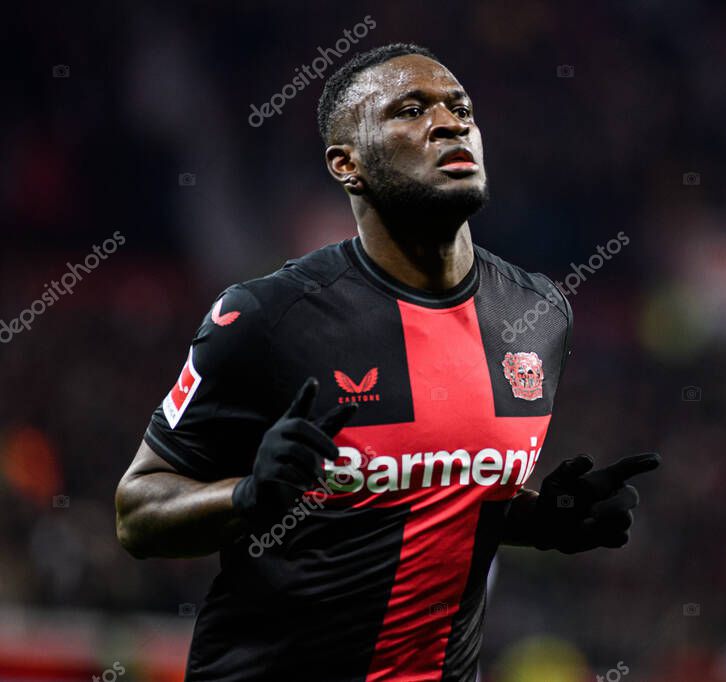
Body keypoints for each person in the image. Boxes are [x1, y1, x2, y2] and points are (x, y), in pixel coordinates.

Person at [115, 43, 660, 681]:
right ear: (347, 165)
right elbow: (138, 513)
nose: (451, 123)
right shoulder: (267, 318)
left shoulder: (537, 314)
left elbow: (429, 496)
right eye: (411, 109)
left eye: (462, 109)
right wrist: (248, 497)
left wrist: (542, 521)